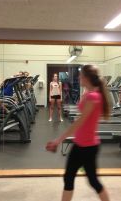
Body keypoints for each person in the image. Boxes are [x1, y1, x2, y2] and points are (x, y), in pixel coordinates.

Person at [46, 65, 111, 201]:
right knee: (69, 177)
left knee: (92, 181)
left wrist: (58, 140)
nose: (78, 77)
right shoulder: (88, 93)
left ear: (86, 78)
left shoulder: (93, 96)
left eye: (80, 75)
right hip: (80, 143)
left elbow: (79, 123)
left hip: (87, 147)